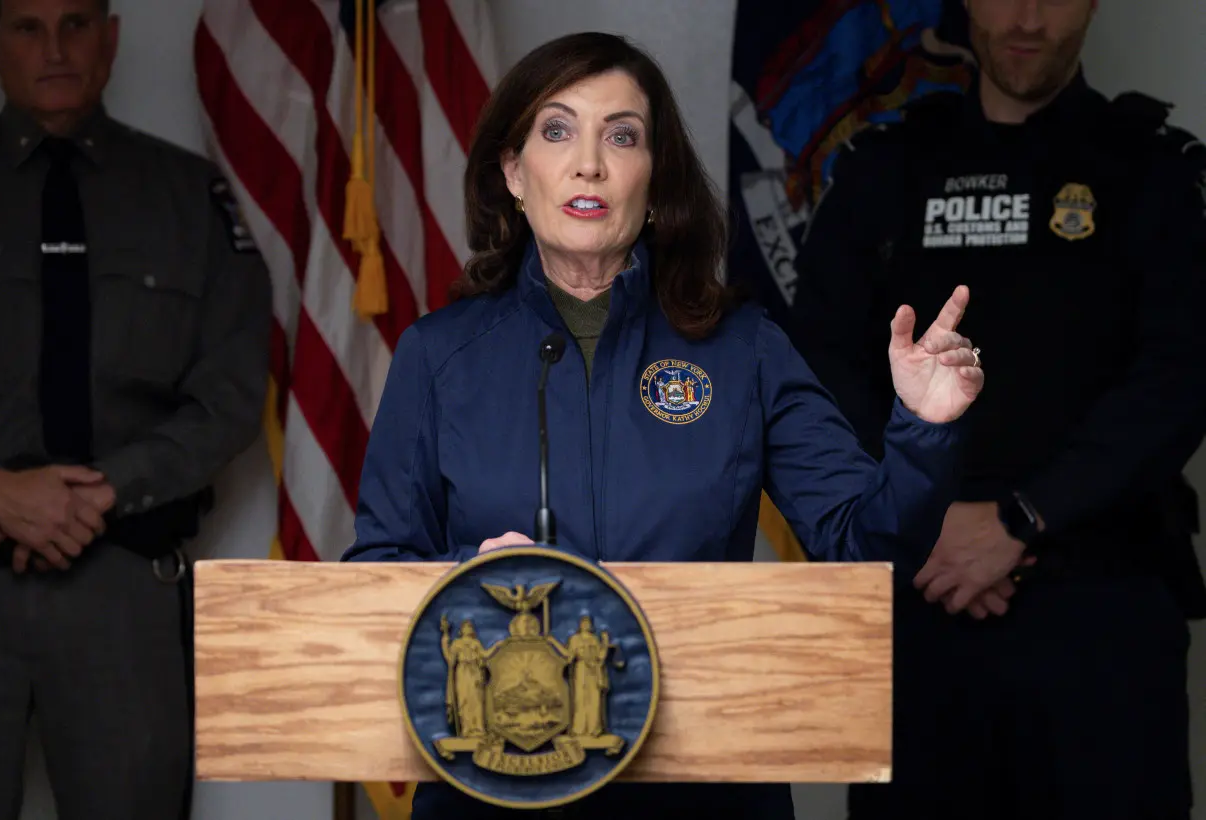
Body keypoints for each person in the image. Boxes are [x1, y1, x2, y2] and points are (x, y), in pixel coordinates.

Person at [344, 31, 987, 820]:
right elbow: (373, 578)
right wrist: (466, 578)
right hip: (497, 778)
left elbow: (862, 545)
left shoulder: (744, 349)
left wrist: (923, 427)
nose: (589, 163)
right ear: (514, 173)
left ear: (655, 180)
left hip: (701, 787)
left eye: (622, 135)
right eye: (556, 131)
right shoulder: (436, 356)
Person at [787, 1, 1206, 818]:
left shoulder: (1151, 169)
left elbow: (1180, 377)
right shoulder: (884, 166)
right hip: (922, 602)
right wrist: (932, 517)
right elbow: (819, 362)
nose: (1026, 17)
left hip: (1102, 614)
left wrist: (1022, 517)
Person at [0, 1, 272, 818]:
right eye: (28, 28)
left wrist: (103, 491)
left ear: (111, 37)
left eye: (76, 24)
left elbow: (234, 387)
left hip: (121, 586)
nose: (56, 49)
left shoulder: (186, 196)